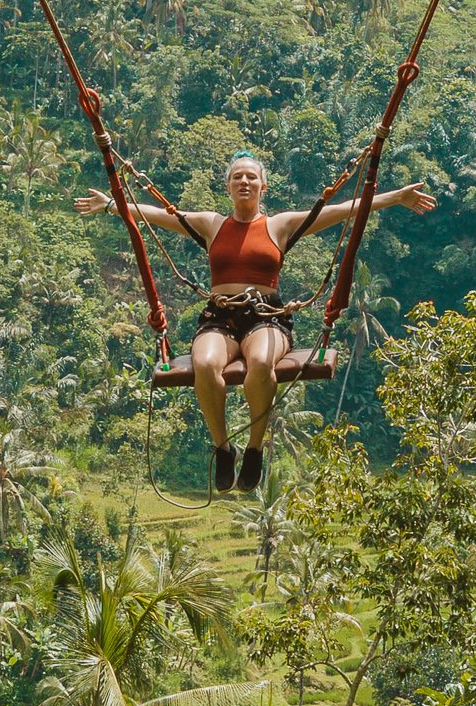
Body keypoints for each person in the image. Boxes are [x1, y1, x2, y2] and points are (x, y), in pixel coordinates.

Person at [79, 152, 435, 492]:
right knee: (204, 364)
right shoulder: (210, 224)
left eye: (251, 177)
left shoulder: (279, 225)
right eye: (237, 178)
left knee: (262, 362)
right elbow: (156, 215)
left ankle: (253, 448)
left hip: (266, 317)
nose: (244, 182)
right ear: (228, 187)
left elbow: (344, 208)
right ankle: (223, 449)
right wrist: (111, 205)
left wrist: (394, 197)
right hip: (219, 317)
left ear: (264, 186)